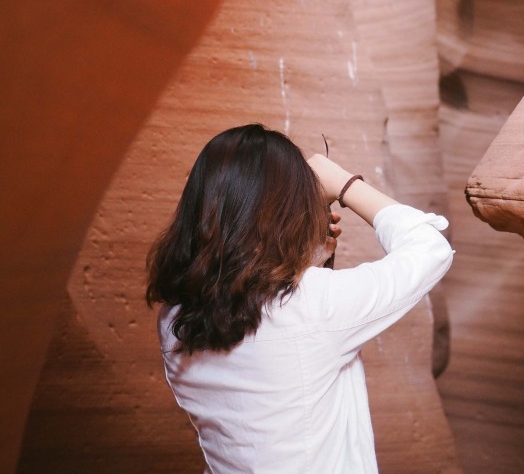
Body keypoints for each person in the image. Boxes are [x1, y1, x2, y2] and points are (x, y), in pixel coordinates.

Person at [146, 123, 453, 474]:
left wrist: (306, 255)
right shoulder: (313, 307)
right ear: (284, 213)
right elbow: (430, 249)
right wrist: (344, 183)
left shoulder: (174, 320)